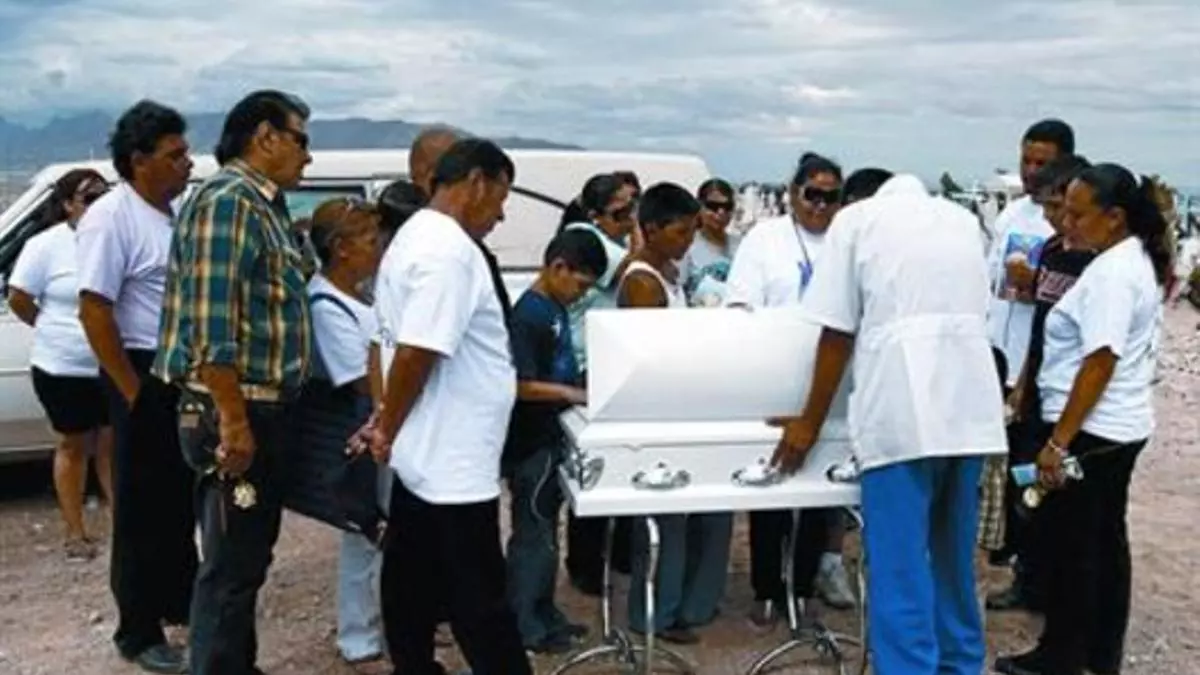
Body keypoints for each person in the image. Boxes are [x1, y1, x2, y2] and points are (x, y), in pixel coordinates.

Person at [771, 172, 1007, 675]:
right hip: (969, 409)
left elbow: (837, 332)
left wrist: (809, 422)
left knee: (899, 565)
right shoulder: (963, 222)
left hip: (901, 412)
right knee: (953, 559)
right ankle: (960, 664)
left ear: (856, 199)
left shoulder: (857, 222)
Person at [154, 89, 315, 675]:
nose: (308, 155)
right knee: (229, 568)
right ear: (265, 137)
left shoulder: (265, 205)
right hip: (236, 406)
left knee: (245, 560)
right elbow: (211, 327)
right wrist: (234, 422)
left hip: (260, 406)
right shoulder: (230, 203)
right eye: (301, 140)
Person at [995, 164, 1169, 675]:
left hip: (1095, 430)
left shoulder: (1113, 273)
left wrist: (1059, 442)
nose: (1065, 223)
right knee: (1104, 543)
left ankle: (1063, 655)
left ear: (1113, 217)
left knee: (1074, 546)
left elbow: (1099, 361)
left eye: (1077, 214)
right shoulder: (1127, 259)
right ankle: (1098, 653)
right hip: (1119, 426)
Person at [367, 138, 533, 675]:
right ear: (477, 182)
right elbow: (417, 350)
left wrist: (386, 419)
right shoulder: (449, 252)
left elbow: (388, 345)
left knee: (411, 579)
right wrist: (386, 426)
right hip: (451, 457)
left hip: (426, 449)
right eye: (501, 197)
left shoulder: (415, 236)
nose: (501, 215)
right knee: (479, 597)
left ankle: (414, 666)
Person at [76, 100, 197, 674]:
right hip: (141, 369)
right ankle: (138, 629)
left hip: (177, 368)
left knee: (177, 495)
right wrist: (133, 391)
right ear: (139, 160)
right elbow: (95, 309)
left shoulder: (173, 214)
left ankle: (177, 597)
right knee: (142, 503)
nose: (187, 163)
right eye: (175, 155)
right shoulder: (111, 217)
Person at [726, 154, 857, 627]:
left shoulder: (847, 241)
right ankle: (766, 587)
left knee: (819, 493)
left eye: (831, 197)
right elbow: (740, 305)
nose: (821, 205)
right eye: (813, 194)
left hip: (832, 385)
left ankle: (801, 588)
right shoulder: (765, 239)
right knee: (772, 490)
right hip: (777, 380)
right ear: (792, 193)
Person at [618, 182, 730, 643]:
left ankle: (691, 603)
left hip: (685, 404)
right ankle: (656, 614)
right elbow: (654, 356)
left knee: (704, 512)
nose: (688, 242)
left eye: (691, 232)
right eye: (680, 232)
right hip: (661, 410)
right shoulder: (643, 282)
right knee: (667, 521)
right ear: (651, 229)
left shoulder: (669, 271)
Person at [985, 154, 1094, 613]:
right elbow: (1041, 327)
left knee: (1071, 503)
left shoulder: (1095, 264)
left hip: (1074, 399)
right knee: (1027, 489)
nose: (1051, 217)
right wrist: (1023, 384)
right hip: (1038, 387)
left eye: (1057, 207)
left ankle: (1063, 595)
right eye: (1047, 207)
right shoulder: (1051, 251)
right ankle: (1029, 578)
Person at [503, 229, 607, 654]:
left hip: (551, 436)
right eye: (580, 285)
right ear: (558, 267)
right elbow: (521, 384)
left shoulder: (555, 308)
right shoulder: (528, 315)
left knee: (548, 533)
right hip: (530, 442)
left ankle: (545, 613)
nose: (581, 294)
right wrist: (573, 394)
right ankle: (525, 623)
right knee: (534, 537)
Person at [301, 198, 390, 673]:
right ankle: (359, 634)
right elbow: (357, 377)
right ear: (341, 249)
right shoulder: (326, 305)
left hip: (384, 423)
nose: (378, 250)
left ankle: (387, 619)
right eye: (370, 242)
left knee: (385, 532)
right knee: (364, 534)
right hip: (362, 429)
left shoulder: (360, 294)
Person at [7, 168, 113, 561]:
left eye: (104, 196)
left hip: (112, 362)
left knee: (112, 445)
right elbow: (20, 297)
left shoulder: (115, 240)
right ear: (68, 205)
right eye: (89, 198)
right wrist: (51, 326)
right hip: (63, 366)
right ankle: (75, 532)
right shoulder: (45, 246)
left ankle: (124, 527)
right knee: (72, 444)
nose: (98, 205)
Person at [559, 172, 644, 595]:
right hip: (587, 364)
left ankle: (614, 554)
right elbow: (636, 266)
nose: (629, 218)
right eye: (622, 211)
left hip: (607, 362)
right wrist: (639, 228)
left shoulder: (604, 238)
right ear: (596, 214)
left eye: (634, 207)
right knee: (595, 465)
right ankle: (588, 564)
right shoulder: (591, 240)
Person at [987, 119, 1075, 404]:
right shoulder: (1010, 214)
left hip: (1036, 365)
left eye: (1041, 163)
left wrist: (1035, 282)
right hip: (995, 355)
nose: (1031, 171)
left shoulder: (1069, 223)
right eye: (1026, 161)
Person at [681, 178, 739, 307]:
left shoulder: (742, 245)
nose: (721, 212)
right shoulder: (685, 246)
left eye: (727, 207)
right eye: (713, 206)